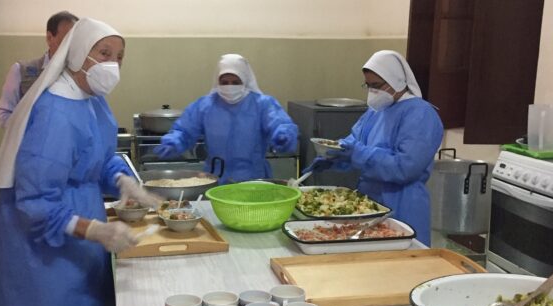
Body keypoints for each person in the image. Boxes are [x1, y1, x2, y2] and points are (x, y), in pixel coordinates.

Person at [0, 18, 161, 306]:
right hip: (43, 255)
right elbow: (35, 204)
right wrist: (94, 230)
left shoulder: (92, 101)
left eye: (120, 56)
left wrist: (124, 180)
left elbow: (98, 157)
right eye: (104, 53)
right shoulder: (53, 112)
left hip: (77, 237)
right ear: (79, 52)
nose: (113, 63)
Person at [303, 50, 443, 246]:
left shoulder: (421, 115)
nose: (372, 92)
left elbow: (405, 168)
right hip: (368, 204)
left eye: (376, 86)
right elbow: (354, 141)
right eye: (368, 86)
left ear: (398, 81)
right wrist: (334, 156)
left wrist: (356, 153)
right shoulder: (376, 111)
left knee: (402, 266)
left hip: (402, 205)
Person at [153, 53, 298, 183]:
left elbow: (279, 123)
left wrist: (284, 135)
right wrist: (175, 141)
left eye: (235, 82)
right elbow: (185, 130)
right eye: (224, 82)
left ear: (245, 81)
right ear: (218, 82)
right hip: (215, 179)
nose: (230, 87)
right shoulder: (205, 106)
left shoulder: (263, 104)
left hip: (253, 180)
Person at [0, 11, 78, 128]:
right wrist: (31, 131)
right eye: (66, 41)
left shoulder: (79, 76)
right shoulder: (21, 71)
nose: (70, 47)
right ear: (50, 38)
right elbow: (4, 114)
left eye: (75, 42)